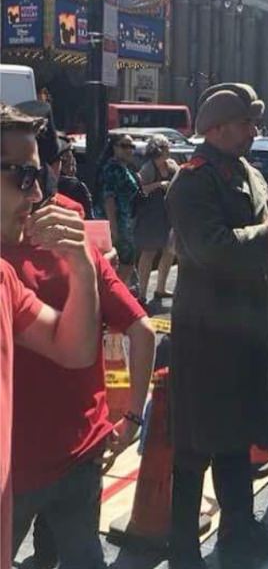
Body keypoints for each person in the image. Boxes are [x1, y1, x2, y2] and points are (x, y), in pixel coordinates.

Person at [165, 84, 268, 568]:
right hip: (207, 334)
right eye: (245, 124)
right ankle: (182, 549)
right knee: (197, 445)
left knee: (237, 437)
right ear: (215, 128)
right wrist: (266, 236)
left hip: (247, 326)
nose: (253, 132)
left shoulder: (249, 174)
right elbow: (212, 248)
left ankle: (240, 528)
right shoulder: (192, 182)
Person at [0, 104, 102, 569]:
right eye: (23, 177)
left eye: (38, 175)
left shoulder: (5, 280)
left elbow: (74, 349)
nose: (37, 192)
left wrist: (83, 269)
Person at [134, 135, 179, 305]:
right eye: (167, 147)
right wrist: (159, 185)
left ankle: (160, 288)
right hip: (151, 215)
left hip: (169, 214)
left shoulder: (172, 165)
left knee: (169, 251)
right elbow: (140, 190)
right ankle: (143, 293)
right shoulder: (147, 169)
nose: (170, 150)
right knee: (149, 252)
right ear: (160, 149)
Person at [95, 134, 140, 283]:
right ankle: (114, 296)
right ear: (114, 147)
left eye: (131, 146)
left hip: (126, 221)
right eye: (124, 146)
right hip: (117, 222)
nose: (129, 150)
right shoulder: (112, 168)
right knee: (124, 262)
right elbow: (109, 199)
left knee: (126, 261)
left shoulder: (123, 168)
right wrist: (113, 229)